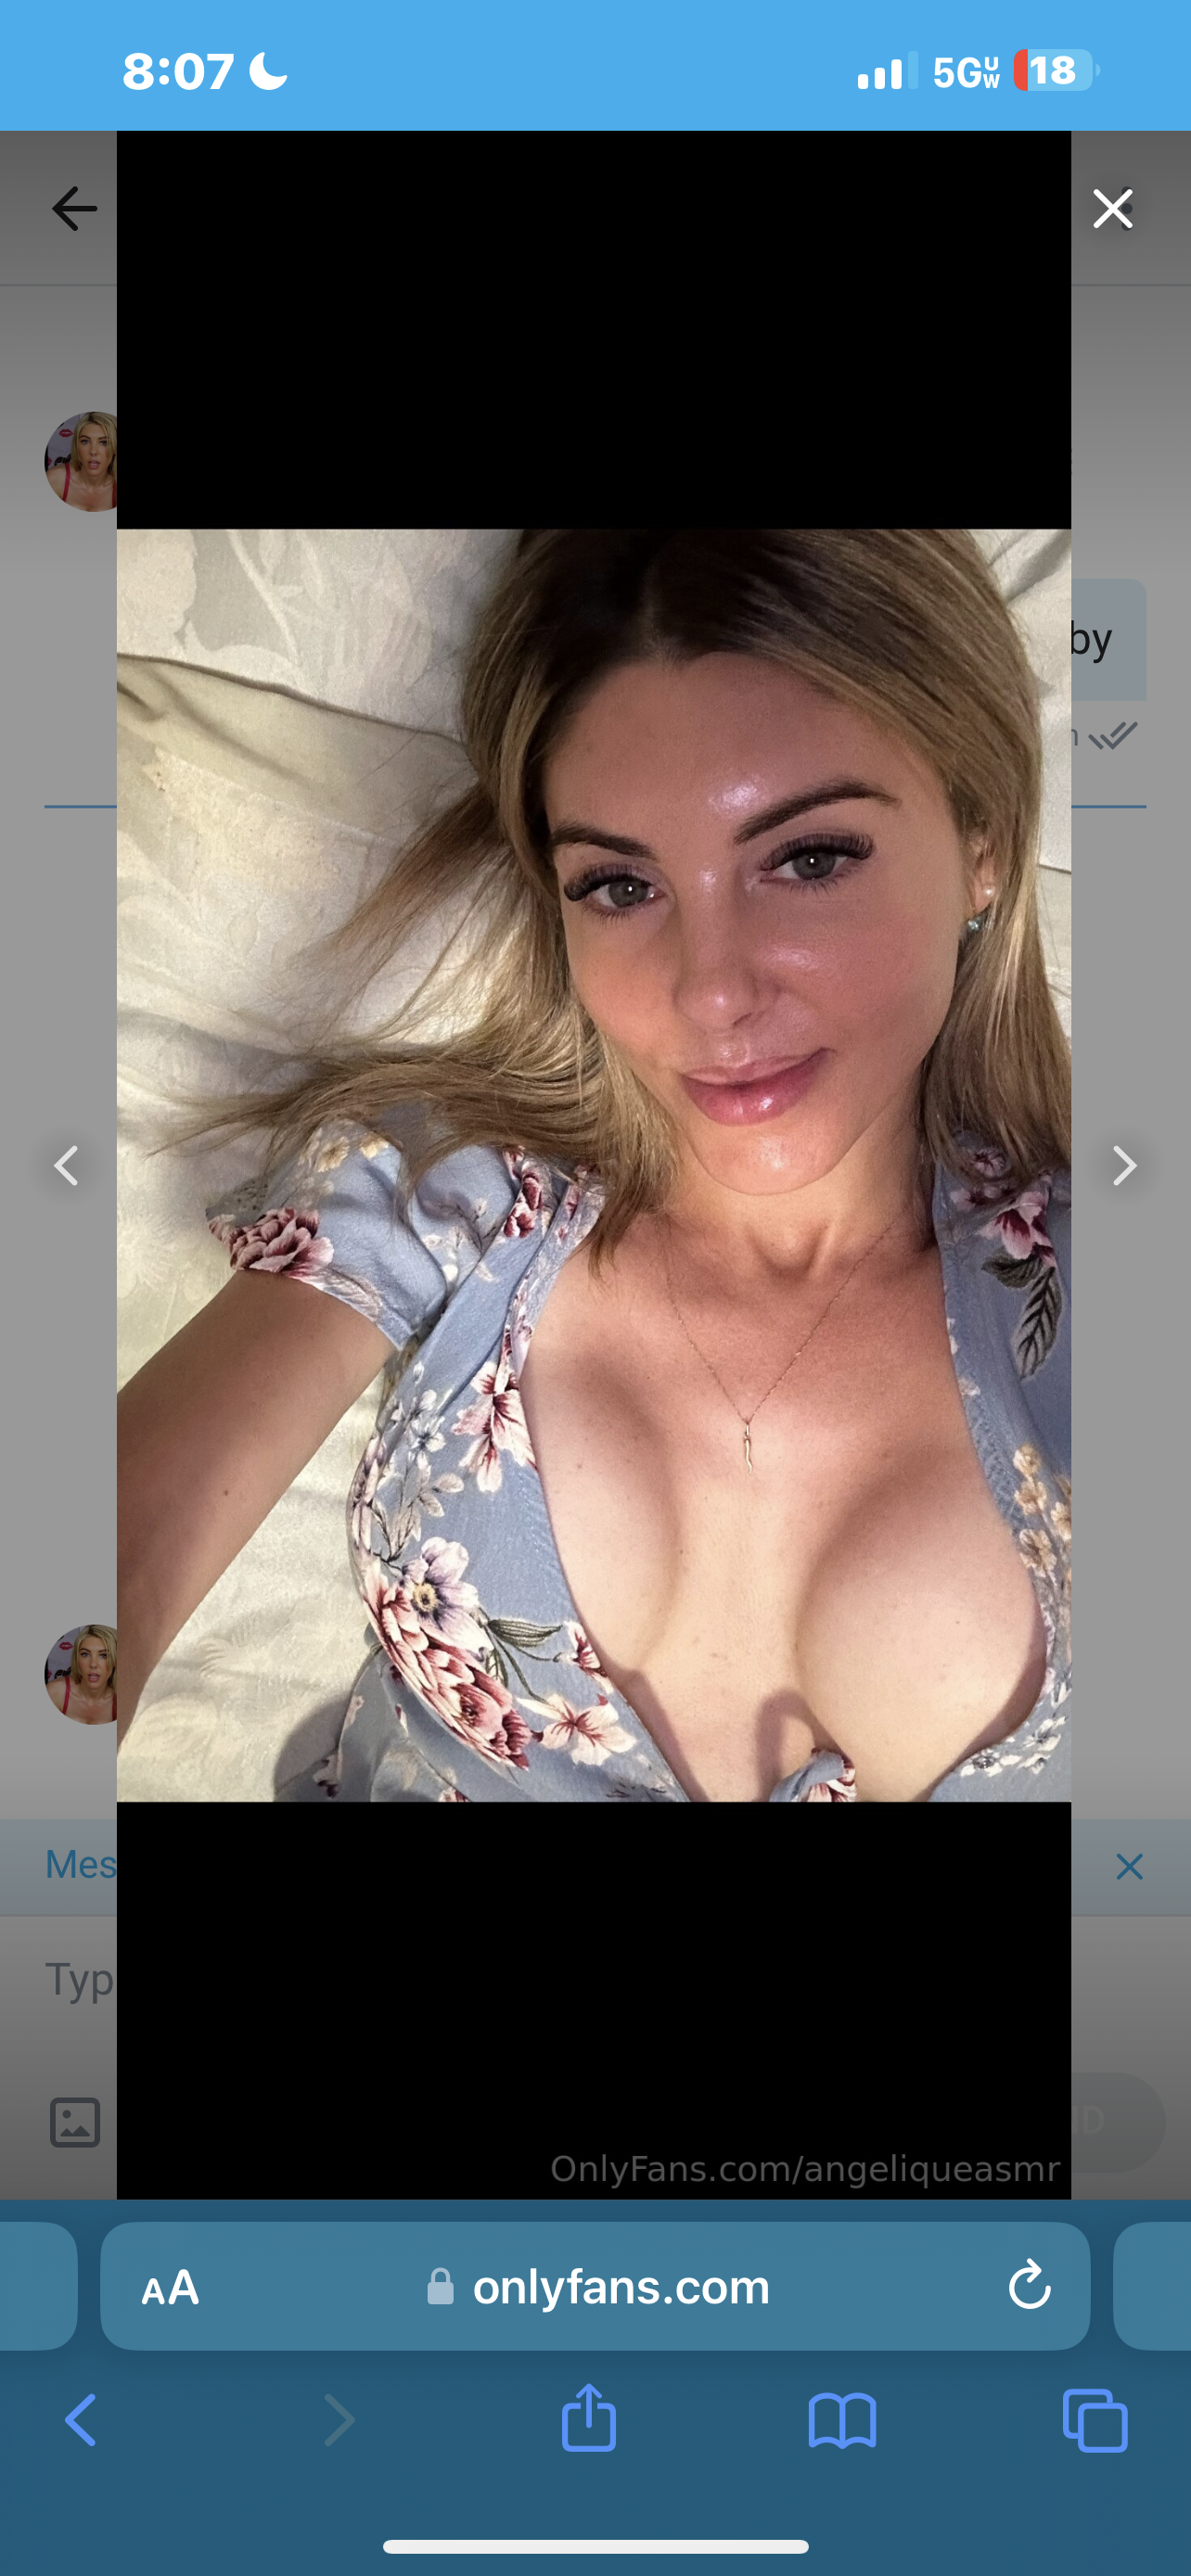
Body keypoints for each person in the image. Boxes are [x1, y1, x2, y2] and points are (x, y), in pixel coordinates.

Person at [118, 529, 1070, 1803]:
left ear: (984, 844)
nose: (711, 991)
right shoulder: (445, 1199)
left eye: (809, 858)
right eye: (621, 886)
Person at [45, 412, 117, 511]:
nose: (93, 451)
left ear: (115, 448)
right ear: (77, 445)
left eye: (104, 442)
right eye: (85, 441)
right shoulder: (55, 479)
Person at [47, 1626, 118, 1724]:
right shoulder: (55, 1692)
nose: (93, 1664)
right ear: (77, 1658)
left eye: (103, 1655)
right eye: (85, 1654)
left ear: (115, 1660)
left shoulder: (123, 1701)